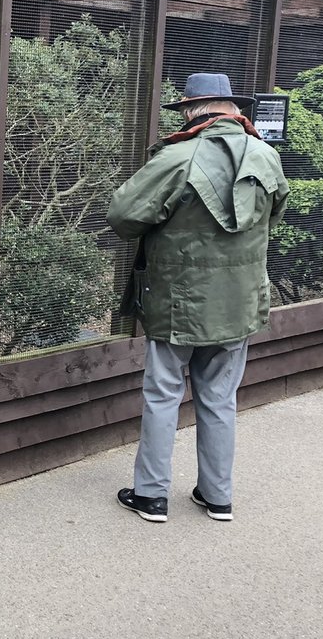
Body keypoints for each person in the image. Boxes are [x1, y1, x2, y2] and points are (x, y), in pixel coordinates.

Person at [107, 72, 290, 523]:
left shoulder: (177, 157)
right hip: (240, 301)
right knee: (220, 397)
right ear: (232, 110)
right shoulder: (267, 156)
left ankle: (151, 496)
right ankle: (217, 496)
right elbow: (275, 213)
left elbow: (123, 215)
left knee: (163, 393)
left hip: (179, 301)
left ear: (192, 110)